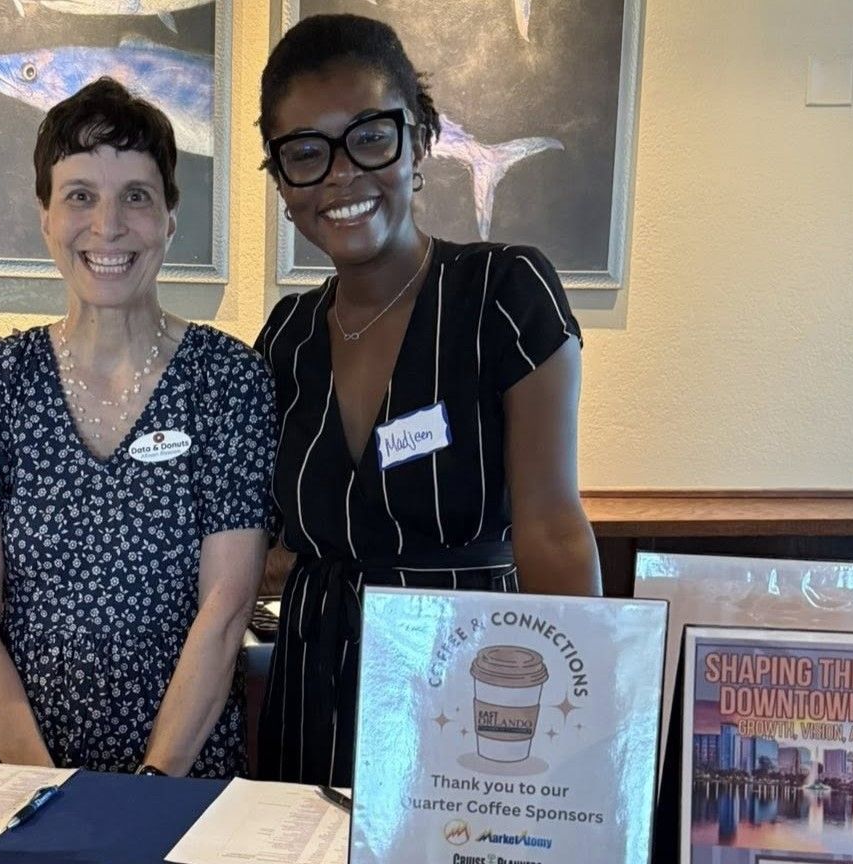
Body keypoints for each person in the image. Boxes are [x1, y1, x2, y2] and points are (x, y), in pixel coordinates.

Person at [252, 14, 602, 786]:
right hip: (312, 701)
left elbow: (552, 529)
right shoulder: (285, 340)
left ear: (419, 141)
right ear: (282, 184)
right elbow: (264, 545)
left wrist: (580, 751)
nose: (341, 175)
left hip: (474, 698)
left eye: (370, 137)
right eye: (305, 153)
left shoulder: (503, 293)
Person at [0, 78, 275, 777]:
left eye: (136, 197)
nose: (107, 226)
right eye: (80, 195)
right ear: (46, 218)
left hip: (180, 780)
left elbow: (227, 608)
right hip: (10, 778)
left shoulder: (229, 383)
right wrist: (47, 792)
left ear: (171, 218)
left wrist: (146, 789)